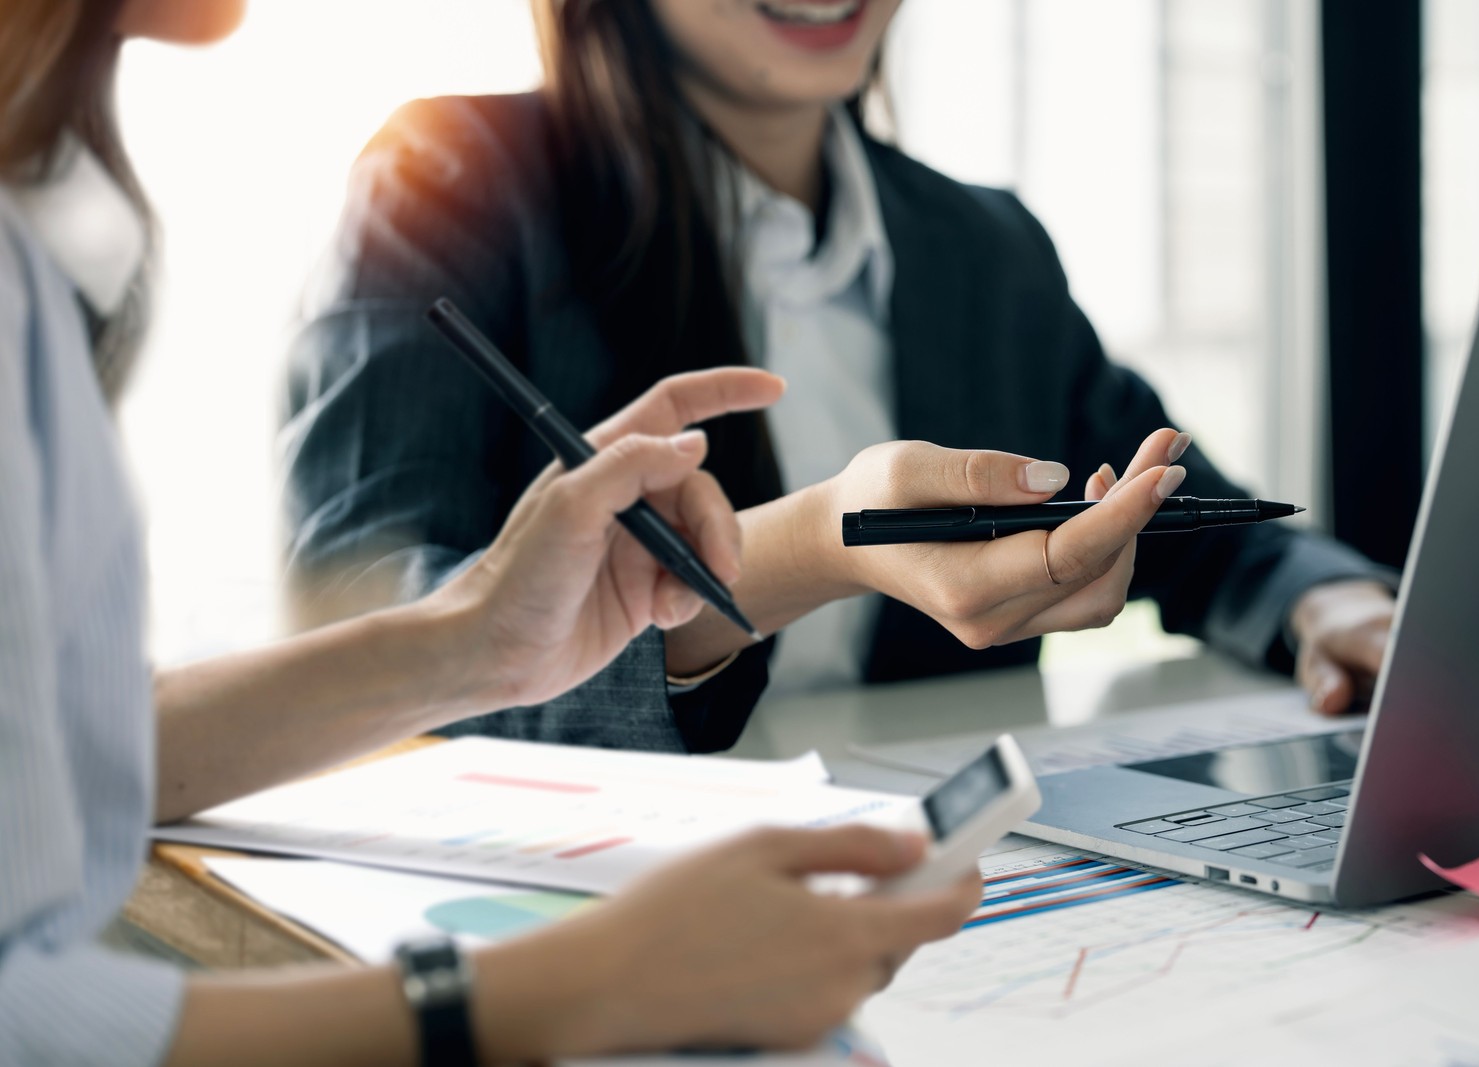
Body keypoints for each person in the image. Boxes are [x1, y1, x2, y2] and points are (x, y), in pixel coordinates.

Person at [0, 1, 979, 1062]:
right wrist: (580, 983)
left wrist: (475, 638)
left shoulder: (981, 245)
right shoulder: (457, 172)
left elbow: (65, 753)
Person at [282, 0, 1400, 754]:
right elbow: (359, 616)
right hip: (608, 902)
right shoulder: (449, 182)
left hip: (949, 881)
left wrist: (1326, 598)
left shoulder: (983, 244)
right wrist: (800, 549)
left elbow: (1194, 513)